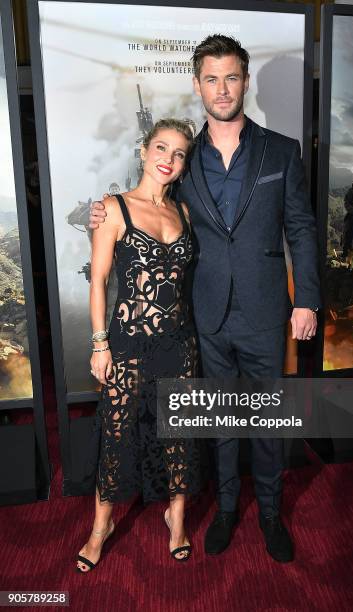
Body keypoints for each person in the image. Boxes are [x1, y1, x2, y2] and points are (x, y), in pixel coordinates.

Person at [90, 35, 321, 563]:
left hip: (266, 312)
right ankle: (223, 511)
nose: (222, 89)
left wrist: (305, 299)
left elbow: (302, 230)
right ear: (198, 85)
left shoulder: (281, 150)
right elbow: (149, 195)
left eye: (232, 77)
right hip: (204, 315)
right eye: (211, 79)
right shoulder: (185, 160)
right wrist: (106, 212)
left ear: (245, 82)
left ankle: (268, 513)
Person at [76, 119, 201, 573]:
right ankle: (100, 528)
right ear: (144, 150)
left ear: (184, 164)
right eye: (161, 148)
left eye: (179, 153)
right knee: (116, 433)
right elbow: (100, 281)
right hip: (127, 343)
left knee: (179, 434)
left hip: (179, 343)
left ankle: (177, 517)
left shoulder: (184, 213)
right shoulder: (113, 208)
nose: (168, 158)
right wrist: (99, 343)